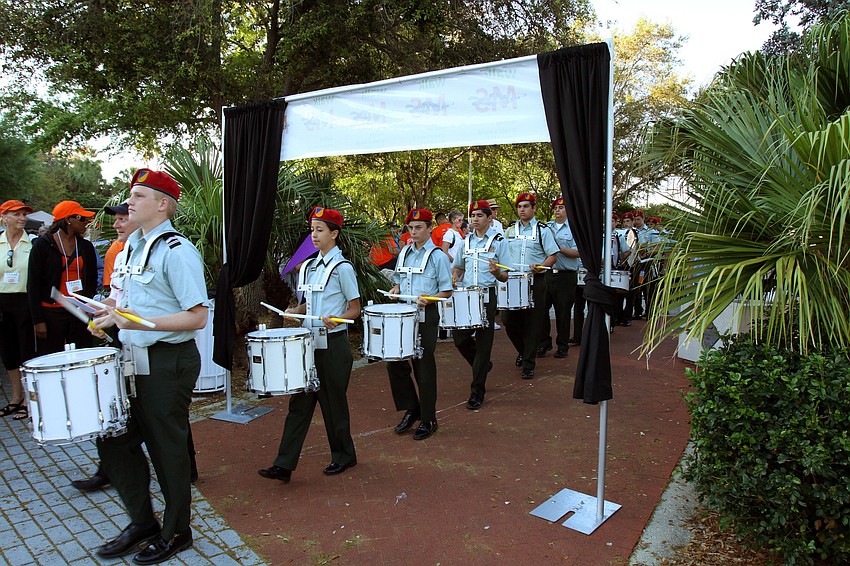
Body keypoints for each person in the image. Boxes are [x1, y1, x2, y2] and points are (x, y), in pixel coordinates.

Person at [89, 169, 208, 563]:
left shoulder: (177, 250)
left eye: (139, 195)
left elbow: (196, 317)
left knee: (166, 447)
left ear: (162, 204)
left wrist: (140, 322)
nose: (130, 202)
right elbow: (124, 303)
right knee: (113, 440)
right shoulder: (129, 249)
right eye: (131, 195)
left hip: (167, 361)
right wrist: (103, 312)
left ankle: (177, 531)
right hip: (132, 359)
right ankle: (142, 521)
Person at [259, 207, 361, 482]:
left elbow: (355, 309)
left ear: (334, 234)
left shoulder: (343, 269)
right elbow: (310, 304)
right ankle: (284, 464)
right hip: (307, 346)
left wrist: (337, 319)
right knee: (299, 404)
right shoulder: (309, 266)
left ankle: (344, 455)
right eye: (312, 230)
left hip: (333, 345)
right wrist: (296, 309)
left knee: (333, 404)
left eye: (320, 230)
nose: (314, 235)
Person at [386, 208, 452, 440]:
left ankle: (428, 418)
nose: (413, 232)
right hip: (403, 315)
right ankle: (412, 408)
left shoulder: (438, 257)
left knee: (423, 366)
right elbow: (399, 281)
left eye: (418, 228)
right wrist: (395, 290)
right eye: (410, 228)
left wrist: (430, 298)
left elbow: (447, 290)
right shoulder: (404, 252)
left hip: (426, 316)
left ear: (429, 228)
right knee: (394, 362)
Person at [451, 200, 510, 410]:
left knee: (484, 344)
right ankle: (483, 365)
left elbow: (505, 276)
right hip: (466, 296)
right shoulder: (465, 242)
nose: (475, 220)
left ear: (489, 218)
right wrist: (455, 278)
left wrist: (496, 273)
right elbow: (458, 267)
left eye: (479, 216)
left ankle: (477, 392)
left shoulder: (499, 241)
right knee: (460, 339)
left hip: (487, 296)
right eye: (472, 216)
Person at [28, 200, 98, 355]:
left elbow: (92, 280)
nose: (86, 222)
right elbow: (33, 284)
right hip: (51, 312)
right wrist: (38, 320)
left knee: (83, 355)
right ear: (68, 220)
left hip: (79, 311)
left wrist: (88, 306)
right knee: (52, 356)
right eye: (82, 218)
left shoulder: (85, 247)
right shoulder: (43, 245)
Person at [502, 192, 558, 378]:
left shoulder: (543, 230)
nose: (522, 210)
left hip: (536, 280)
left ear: (534, 208)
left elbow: (552, 255)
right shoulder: (509, 230)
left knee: (533, 323)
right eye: (520, 207)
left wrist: (541, 267)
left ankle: (528, 364)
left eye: (526, 206)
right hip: (513, 281)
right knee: (509, 320)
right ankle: (523, 351)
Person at [0, 200, 36, 421]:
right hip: (2, 301)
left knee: (26, 351)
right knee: (8, 351)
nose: (22, 218)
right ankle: (15, 397)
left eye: (24, 214)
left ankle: (28, 400)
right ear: (4, 218)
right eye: (16, 214)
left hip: (25, 301)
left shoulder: (32, 243)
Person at [537, 197, 580, 358]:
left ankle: (562, 346)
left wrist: (557, 248)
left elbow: (578, 252)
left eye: (561, 207)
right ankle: (544, 343)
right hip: (547, 273)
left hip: (565, 275)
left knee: (563, 313)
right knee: (541, 310)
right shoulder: (546, 227)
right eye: (555, 208)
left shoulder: (574, 229)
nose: (557, 210)